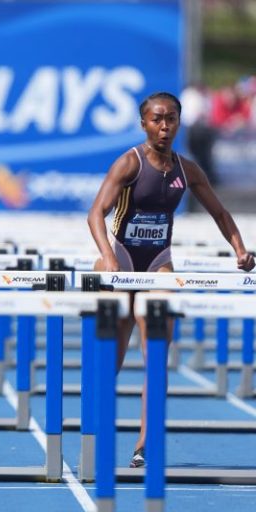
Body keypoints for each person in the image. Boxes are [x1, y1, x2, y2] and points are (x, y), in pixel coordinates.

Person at [87, 91, 255, 468]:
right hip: (122, 261)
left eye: (171, 119)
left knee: (157, 357)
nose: (165, 127)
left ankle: (145, 444)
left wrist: (240, 250)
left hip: (158, 263)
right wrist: (109, 258)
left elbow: (220, 213)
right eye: (157, 120)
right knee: (111, 359)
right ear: (144, 123)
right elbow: (96, 213)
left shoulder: (187, 170)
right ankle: (94, 433)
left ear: (179, 122)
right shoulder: (128, 163)